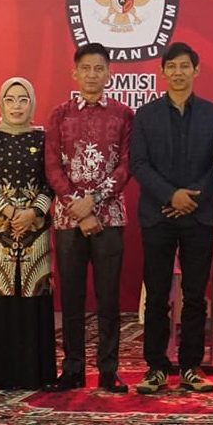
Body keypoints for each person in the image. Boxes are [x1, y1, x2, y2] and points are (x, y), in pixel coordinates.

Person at [131, 42, 213, 394]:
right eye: (171, 66)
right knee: (157, 295)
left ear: (196, 70)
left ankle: (190, 366)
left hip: (198, 217)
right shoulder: (146, 115)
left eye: (185, 66)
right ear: (163, 72)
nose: (178, 72)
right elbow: (139, 163)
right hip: (158, 215)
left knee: (195, 296)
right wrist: (172, 196)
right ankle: (156, 367)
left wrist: (191, 199)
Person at [44, 42, 135, 392]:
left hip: (109, 217)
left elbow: (126, 165)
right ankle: (73, 369)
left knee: (108, 298)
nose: (92, 75)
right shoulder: (60, 115)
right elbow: (52, 166)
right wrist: (77, 207)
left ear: (109, 73)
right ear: (75, 73)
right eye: (86, 68)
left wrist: (93, 201)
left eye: (99, 68)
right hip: (69, 220)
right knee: (71, 297)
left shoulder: (123, 115)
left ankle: (108, 369)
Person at [0, 77, 58, 389]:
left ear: (32, 103)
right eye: (10, 99)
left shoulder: (43, 139)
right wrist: (9, 212)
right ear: (1, 103)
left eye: (23, 99)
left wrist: (33, 212)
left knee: (33, 295)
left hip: (35, 229)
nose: (17, 106)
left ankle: (33, 372)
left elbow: (52, 181)